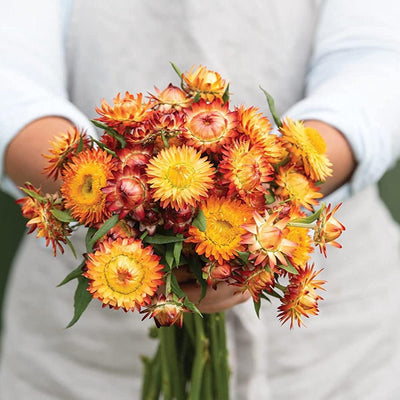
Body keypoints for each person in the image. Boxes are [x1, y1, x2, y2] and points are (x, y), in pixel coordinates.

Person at [1, 0, 400, 399]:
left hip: (336, 349)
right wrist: (122, 204)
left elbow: (379, 64)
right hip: (84, 358)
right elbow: (11, 74)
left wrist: (264, 200)